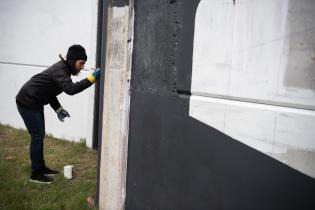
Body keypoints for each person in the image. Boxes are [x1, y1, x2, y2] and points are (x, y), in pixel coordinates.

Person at [16, 44, 100, 184]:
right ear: (72, 61)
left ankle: (41, 168)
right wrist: (91, 79)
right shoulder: (60, 70)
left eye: (84, 63)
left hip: (35, 101)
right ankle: (36, 174)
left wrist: (58, 109)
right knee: (37, 136)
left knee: (39, 135)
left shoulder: (64, 69)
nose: (83, 67)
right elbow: (70, 89)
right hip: (27, 102)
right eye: (81, 63)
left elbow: (49, 91)